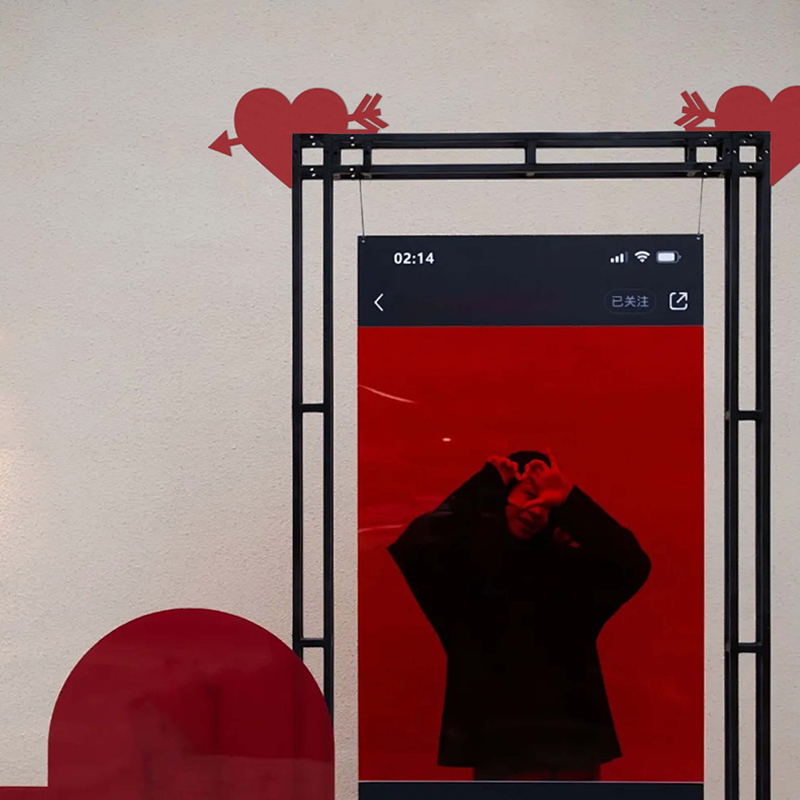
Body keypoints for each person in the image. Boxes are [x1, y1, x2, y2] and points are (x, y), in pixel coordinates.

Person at [387, 450, 651, 781]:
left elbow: (632, 564)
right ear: (503, 498)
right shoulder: (465, 571)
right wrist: (484, 486)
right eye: (528, 494)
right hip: (501, 745)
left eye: (546, 504)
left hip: (570, 744)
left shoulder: (567, 571)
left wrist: (570, 500)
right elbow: (414, 545)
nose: (535, 509)